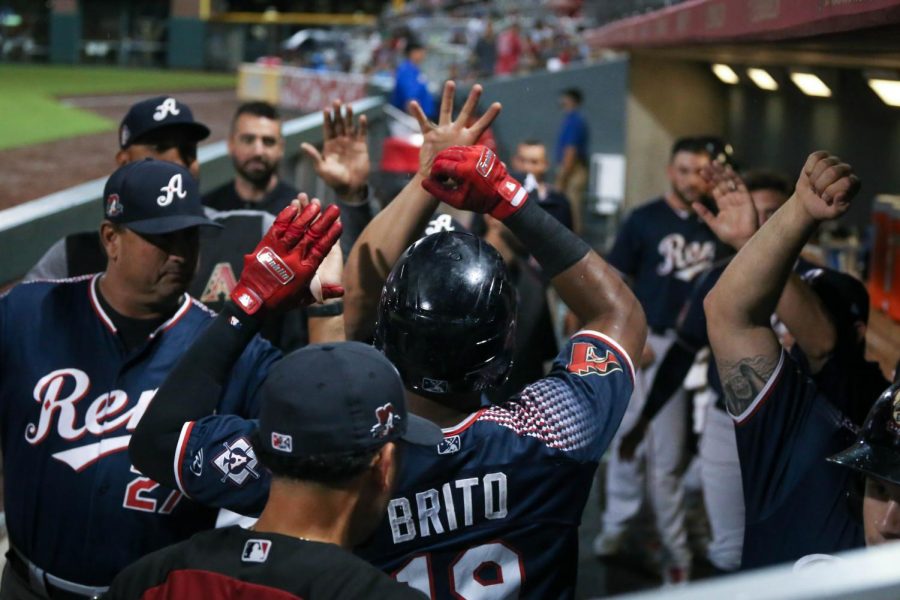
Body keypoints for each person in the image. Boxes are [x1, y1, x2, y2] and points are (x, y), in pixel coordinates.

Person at [0, 159, 282, 598]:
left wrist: (325, 310)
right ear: (111, 239)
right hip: (26, 587)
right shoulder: (28, 313)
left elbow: (308, 426)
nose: (180, 252)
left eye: (189, 236)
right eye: (161, 237)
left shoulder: (227, 347)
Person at [110, 337, 435, 596]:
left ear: (263, 450)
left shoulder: (149, 580)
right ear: (384, 466)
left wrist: (243, 309)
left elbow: (154, 440)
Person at [615, 169, 794, 573]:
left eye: (774, 216)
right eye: (754, 214)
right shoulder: (719, 278)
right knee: (730, 549)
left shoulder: (819, 281)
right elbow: (681, 352)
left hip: (794, 426)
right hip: (728, 419)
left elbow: (827, 347)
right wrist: (645, 418)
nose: (761, 227)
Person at [704, 151, 875, 567]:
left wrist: (794, 213)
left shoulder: (876, 399)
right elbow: (731, 314)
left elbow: (822, 341)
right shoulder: (788, 406)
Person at [596, 136, 728, 582]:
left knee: (680, 453)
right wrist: (631, 335)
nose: (693, 179)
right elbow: (612, 284)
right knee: (634, 442)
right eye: (686, 170)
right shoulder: (645, 219)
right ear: (671, 171)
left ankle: (668, 537)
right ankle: (622, 529)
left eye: (701, 171)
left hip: (705, 348)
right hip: (653, 343)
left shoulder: (719, 224)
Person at [202, 101, 298, 215]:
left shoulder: (298, 211)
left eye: (268, 142)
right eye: (248, 140)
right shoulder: (208, 210)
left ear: (281, 148)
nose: (258, 152)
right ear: (231, 144)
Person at [511, 139, 573, 230]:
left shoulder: (559, 202)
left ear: (545, 165)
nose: (526, 167)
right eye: (522, 160)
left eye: (534, 162)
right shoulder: (499, 196)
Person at [554, 88, 589, 234]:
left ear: (572, 100)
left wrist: (563, 177)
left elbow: (571, 150)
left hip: (573, 170)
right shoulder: (573, 119)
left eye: (565, 98)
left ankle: (574, 251)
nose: (561, 101)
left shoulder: (574, 121)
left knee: (571, 210)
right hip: (573, 168)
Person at [390, 42, 435, 120]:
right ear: (413, 52)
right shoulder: (406, 71)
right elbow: (410, 102)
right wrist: (418, 123)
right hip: (414, 121)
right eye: (421, 51)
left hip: (423, 118)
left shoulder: (415, 70)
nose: (424, 54)